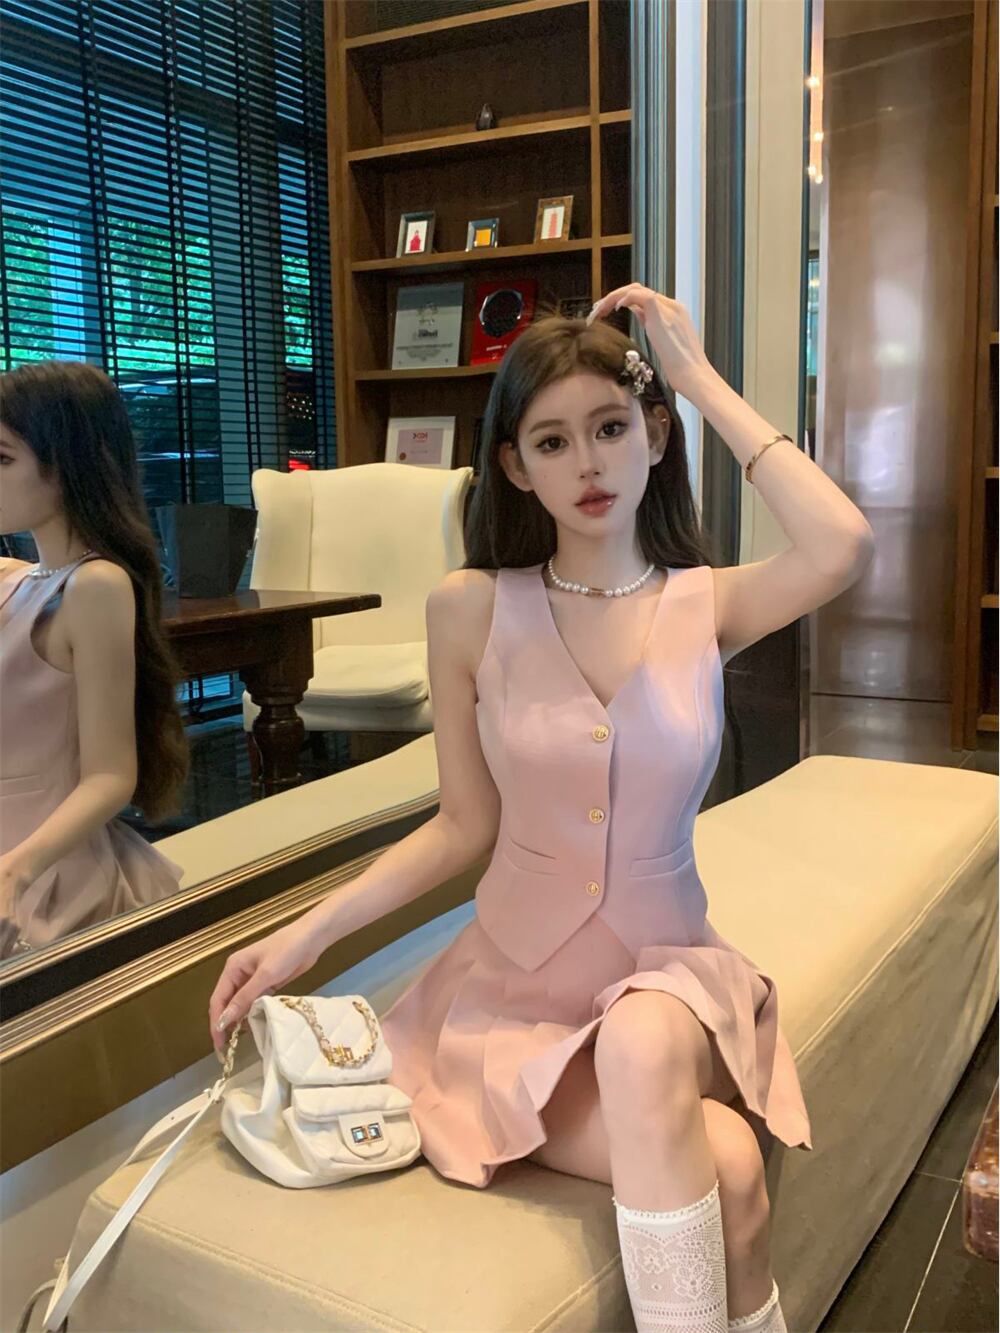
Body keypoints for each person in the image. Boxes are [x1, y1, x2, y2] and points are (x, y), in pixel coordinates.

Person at [208, 286, 875, 1333]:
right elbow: (462, 826)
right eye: (552, 442)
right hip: (512, 1007)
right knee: (733, 1164)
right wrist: (306, 936)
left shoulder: (707, 602)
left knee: (643, 1041)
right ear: (515, 466)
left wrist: (696, 378)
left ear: (654, 435)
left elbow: (841, 542)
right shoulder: (470, 608)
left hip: (670, 984)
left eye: (611, 428)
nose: (588, 464)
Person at [0, 359, 189, 959]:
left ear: (67, 463)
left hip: (45, 875)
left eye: (2, 459)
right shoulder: (14, 579)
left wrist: (15, 871)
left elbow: (111, 776)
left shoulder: (95, 586)